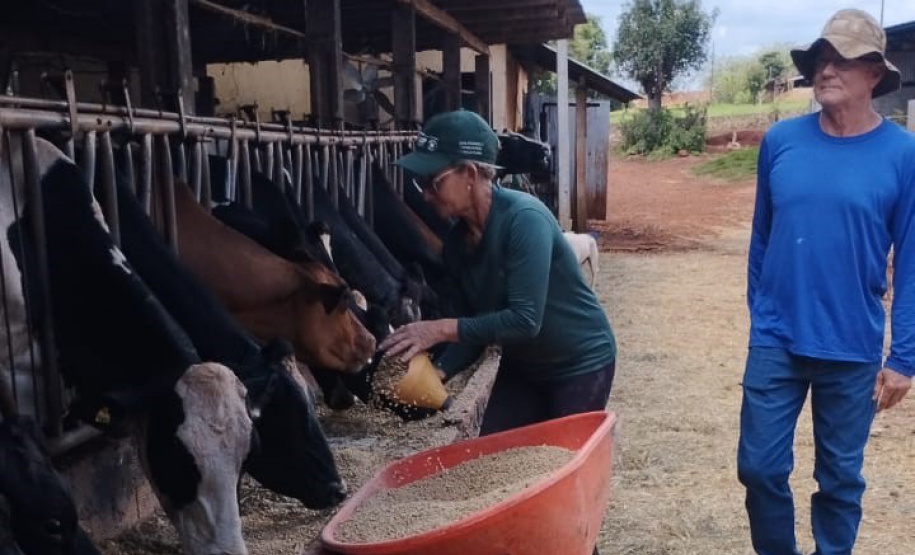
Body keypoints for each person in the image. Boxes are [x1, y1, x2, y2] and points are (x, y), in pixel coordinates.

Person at [738, 9, 914, 555]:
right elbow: (762, 237)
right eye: (820, 58)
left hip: (852, 344)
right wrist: (761, 310)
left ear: (873, 75)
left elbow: (911, 260)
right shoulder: (781, 141)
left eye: (841, 59)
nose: (826, 69)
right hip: (776, 339)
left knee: (839, 480)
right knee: (759, 468)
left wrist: (904, 358)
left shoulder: (902, 153)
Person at [379, 109, 617, 437]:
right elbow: (473, 327)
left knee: (562, 457)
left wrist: (439, 329)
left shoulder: (524, 220)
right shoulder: (454, 245)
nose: (427, 195)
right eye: (422, 185)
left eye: (433, 182)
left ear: (470, 173)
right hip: (524, 367)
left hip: (579, 362)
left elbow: (524, 321)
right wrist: (439, 371)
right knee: (491, 455)